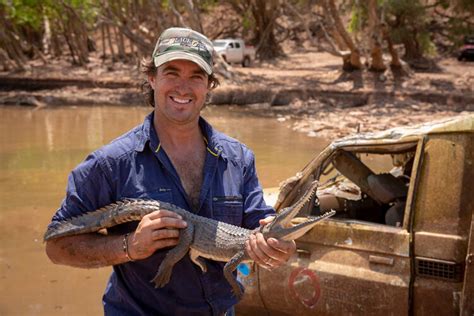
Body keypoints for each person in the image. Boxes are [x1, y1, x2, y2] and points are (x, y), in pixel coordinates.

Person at [45, 27, 296, 315]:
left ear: (209, 86)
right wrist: (130, 246)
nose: (182, 87)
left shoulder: (238, 158)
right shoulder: (109, 163)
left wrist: (277, 247)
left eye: (196, 76)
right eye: (172, 72)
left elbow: (258, 224)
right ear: (152, 78)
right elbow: (57, 246)